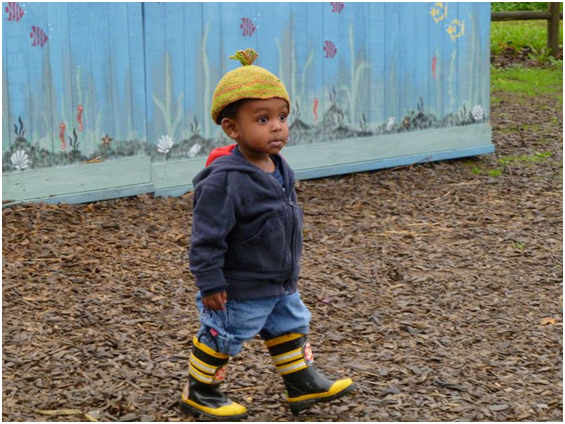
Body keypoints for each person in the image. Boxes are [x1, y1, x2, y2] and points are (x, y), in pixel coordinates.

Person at [179, 48, 355, 420]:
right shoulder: (225, 181)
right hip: (239, 286)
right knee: (223, 335)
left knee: (291, 324)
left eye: (282, 116)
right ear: (232, 128)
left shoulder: (279, 166)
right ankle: (200, 391)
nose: (277, 127)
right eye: (263, 119)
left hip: (278, 280)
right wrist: (210, 282)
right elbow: (206, 237)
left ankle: (301, 383)